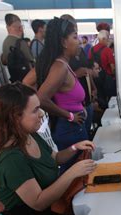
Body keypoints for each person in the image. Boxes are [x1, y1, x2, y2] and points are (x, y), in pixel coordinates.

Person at [0, 83, 97, 215]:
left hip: (48, 208)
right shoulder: (11, 158)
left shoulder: (28, 134)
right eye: (34, 110)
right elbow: (38, 202)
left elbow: (55, 158)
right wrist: (72, 173)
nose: (41, 114)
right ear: (15, 116)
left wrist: (75, 147)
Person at [35, 17, 89, 163]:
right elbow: (40, 98)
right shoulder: (60, 67)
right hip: (70, 129)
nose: (79, 41)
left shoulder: (64, 64)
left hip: (73, 127)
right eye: (75, 37)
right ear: (64, 42)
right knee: (76, 171)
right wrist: (70, 116)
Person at [88, 30, 116, 100]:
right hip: (107, 80)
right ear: (103, 39)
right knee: (110, 100)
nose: (108, 41)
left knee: (100, 99)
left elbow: (89, 65)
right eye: (108, 39)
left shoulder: (91, 50)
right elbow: (113, 68)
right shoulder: (108, 50)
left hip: (96, 80)